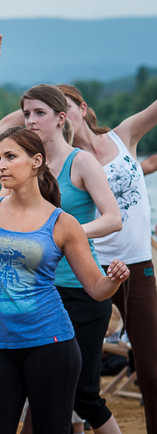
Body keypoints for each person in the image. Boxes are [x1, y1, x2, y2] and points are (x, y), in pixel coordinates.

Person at [0, 126, 130, 433]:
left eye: (10, 156)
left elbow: (97, 289)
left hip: (51, 344)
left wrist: (114, 279)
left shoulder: (63, 223)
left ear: (36, 161)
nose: (0, 165)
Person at [20, 84, 123, 434]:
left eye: (39, 113)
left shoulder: (81, 161)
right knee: (40, 391)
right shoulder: (28, 165)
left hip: (80, 292)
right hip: (38, 294)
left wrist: (68, 232)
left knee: (83, 395)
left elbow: (113, 218)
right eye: (27, 113)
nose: (31, 120)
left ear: (61, 118)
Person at [59, 83, 157, 432]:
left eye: (64, 107)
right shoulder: (61, 162)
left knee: (150, 367)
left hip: (136, 263)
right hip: (86, 270)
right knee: (75, 368)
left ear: (82, 109)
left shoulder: (122, 136)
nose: (59, 115)